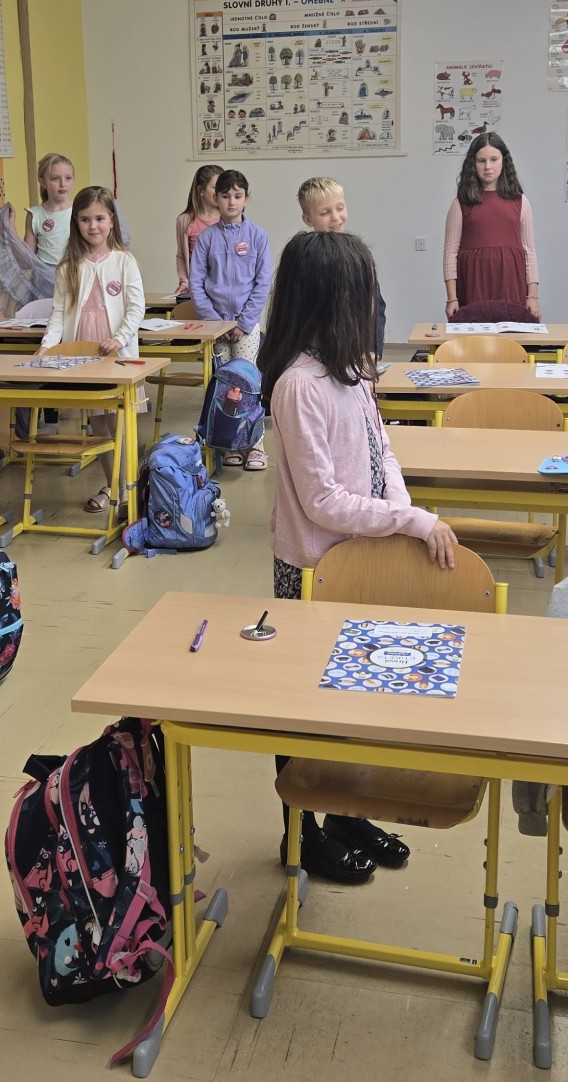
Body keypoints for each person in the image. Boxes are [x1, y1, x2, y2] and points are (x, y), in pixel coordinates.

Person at [261, 230, 459, 882]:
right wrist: (410, 521)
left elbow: (383, 453)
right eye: (365, 293)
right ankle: (301, 833)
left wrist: (404, 518)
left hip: (364, 559)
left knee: (352, 698)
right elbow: (323, 501)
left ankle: (345, 812)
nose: (374, 305)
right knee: (304, 708)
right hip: (315, 569)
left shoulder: (352, 372)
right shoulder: (299, 386)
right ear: (333, 301)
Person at [41, 184, 145, 513]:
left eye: (99, 218)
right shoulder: (68, 266)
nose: (93, 226)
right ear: (76, 223)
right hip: (82, 352)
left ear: (111, 221)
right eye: (85, 219)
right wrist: (46, 347)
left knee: (120, 423)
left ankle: (130, 486)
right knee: (98, 423)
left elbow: (136, 308)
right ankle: (113, 485)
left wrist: (120, 338)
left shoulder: (124, 261)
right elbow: (58, 314)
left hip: (115, 352)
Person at [190, 168, 273, 469]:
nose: (231, 202)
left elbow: (262, 283)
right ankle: (229, 446)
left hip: (246, 327)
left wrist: (244, 322)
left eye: (237, 196)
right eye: (225, 196)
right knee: (225, 388)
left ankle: (255, 446)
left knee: (248, 384)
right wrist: (217, 323)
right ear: (216, 198)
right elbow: (196, 283)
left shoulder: (258, 236)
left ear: (246, 199)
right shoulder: (206, 238)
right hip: (217, 328)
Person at [442, 132, 539, 320]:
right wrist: (452, 298)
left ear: (504, 161)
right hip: (473, 284)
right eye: (481, 161)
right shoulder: (460, 203)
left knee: (511, 334)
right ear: (473, 164)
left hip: (511, 283)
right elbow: (450, 252)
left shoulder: (521, 202)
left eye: (494, 159)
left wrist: (532, 296)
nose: (488, 167)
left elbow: (529, 251)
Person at [298, 175, 386, 357]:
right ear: (308, 219)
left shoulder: (360, 254)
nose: (336, 217)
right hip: (317, 352)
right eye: (325, 213)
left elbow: (375, 308)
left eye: (340, 208)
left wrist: (372, 351)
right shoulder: (305, 257)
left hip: (357, 348)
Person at [0, 150, 76, 309]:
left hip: (74, 276)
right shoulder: (35, 214)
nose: (63, 184)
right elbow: (26, 258)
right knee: (45, 319)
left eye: (68, 178)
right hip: (44, 282)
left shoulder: (79, 210)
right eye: (55, 178)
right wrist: (11, 226)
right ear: (42, 182)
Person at [176, 164, 220, 295]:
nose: (220, 192)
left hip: (221, 290)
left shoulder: (228, 219)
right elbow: (181, 256)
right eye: (215, 187)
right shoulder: (184, 220)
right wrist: (184, 282)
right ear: (201, 190)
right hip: (197, 290)